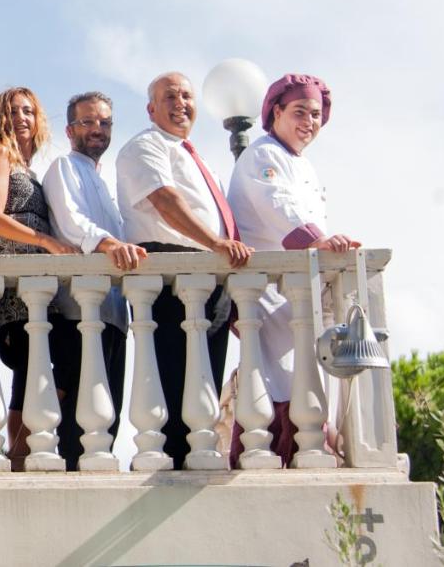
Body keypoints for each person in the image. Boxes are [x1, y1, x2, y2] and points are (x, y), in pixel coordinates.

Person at [117, 72, 253, 467]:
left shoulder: (195, 155)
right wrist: (215, 243)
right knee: (176, 375)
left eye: (187, 96)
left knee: (206, 377)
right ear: (151, 109)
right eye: (170, 96)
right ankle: (176, 462)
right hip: (173, 273)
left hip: (211, 275)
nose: (181, 104)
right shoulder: (145, 145)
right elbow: (164, 199)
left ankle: (197, 454)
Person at [228, 73, 357, 465]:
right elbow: (278, 204)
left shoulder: (304, 166)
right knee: (274, 382)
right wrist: (316, 239)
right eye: (300, 111)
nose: (309, 121)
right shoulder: (263, 155)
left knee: (305, 379)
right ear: (276, 113)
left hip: (296, 294)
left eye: (316, 114)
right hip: (266, 293)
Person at [41, 92, 146, 469]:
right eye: (87, 122)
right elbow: (73, 224)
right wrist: (111, 244)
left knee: (107, 418)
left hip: (114, 317)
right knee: (78, 425)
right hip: (78, 315)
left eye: (104, 122)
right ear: (70, 130)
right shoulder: (63, 168)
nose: (97, 129)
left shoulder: (105, 183)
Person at [0, 87, 78, 470]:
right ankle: (18, 449)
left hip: (40, 282)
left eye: (28, 111)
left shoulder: (32, 170)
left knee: (37, 366)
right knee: (37, 358)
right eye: (13, 111)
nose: (21, 118)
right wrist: (45, 240)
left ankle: (21, 451)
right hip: (14, 283)